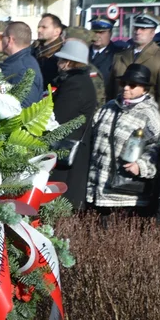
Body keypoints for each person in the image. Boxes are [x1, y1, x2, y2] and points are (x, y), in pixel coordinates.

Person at [86, 64, 160, 215]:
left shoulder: (149, 114)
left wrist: (141, 166)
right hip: (95, 187)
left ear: (145, 89)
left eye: (132, 85)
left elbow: (157, 146)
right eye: (123, 84)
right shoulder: (109, 107)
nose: (126, 88)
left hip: (124, 193)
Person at [49, 38, 98, 210]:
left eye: (61, 60)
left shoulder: (75, 85)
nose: (58, 63)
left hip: (68, 151)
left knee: (62, 200)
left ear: (69, 62)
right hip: (70, 148)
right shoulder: (77, 81)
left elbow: (59, 119)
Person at [108, 13, 160, 114]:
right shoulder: (120, 56)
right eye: (136, 28)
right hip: (118, 115)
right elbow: (111, 90)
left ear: (152, 33)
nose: (138, 32)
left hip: (145, 116)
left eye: (143, 29)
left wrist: (155, 120)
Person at [0, 21, 46, 107]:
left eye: (2, 37)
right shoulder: (18, 61)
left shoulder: (23, 68)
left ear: (10, 40)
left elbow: (26, 107)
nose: (1, 40)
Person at [89, 14, 125, 84]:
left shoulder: (117, 54)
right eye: (94, 32)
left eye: (101, 32)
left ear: (110, 33)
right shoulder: (83, 51)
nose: (97, 35)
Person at [34, 13, 65, 87]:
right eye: (38, 27)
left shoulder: (63, 53)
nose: (39, 30)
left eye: (44, 27)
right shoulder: (33, 50)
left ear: (57, 31)